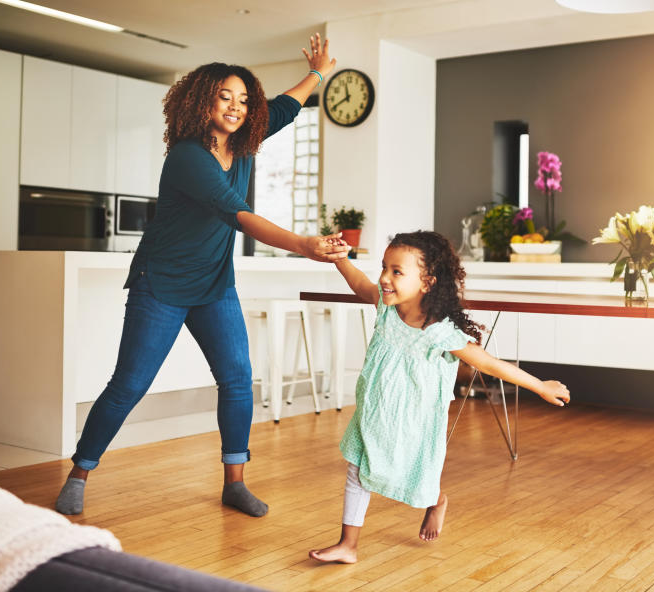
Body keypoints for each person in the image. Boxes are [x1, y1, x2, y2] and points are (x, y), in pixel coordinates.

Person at [55, 34, 348, 518]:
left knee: (236, 379)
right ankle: (80, 472)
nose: (236, 107)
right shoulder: (189, 156)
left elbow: (287, 106)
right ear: (202, 101)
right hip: (162, 283)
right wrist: (303, 245)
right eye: (225, 97)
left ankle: (235, 482)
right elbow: (238, 214)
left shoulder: (247, 141)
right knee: (129, 385)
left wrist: (317, 74)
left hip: (214, 286)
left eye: (243, 99)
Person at [308, 231, 570, 563]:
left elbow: (489, 364)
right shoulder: (387, 308)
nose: (384, 278)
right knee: (358, 467)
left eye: (397, 271)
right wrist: (340, 259)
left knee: (415, 472)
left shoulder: (440, 331)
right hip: (374, 409)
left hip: (415, 416)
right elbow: (360, 283)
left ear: (428, 283)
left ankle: (435, 500)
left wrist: (540, 386)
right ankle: (348, 544)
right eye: (384, 268)